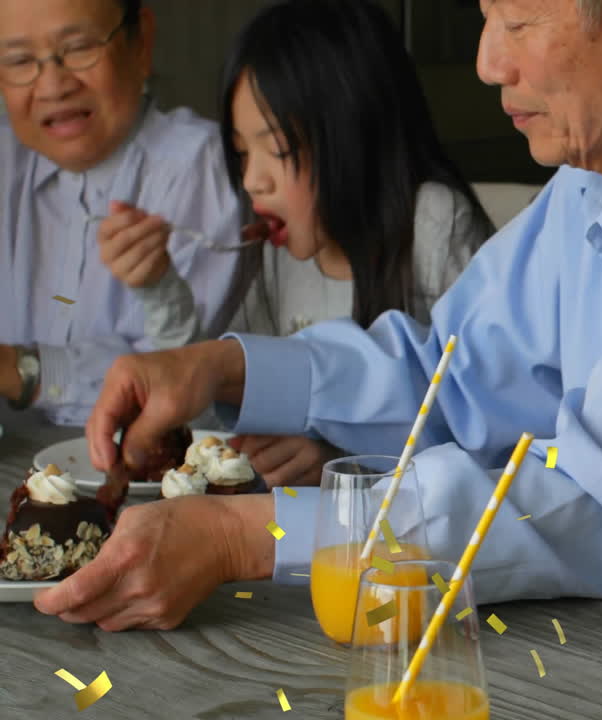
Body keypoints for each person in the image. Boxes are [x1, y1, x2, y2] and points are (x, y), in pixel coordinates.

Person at [40, 0, 602, 632]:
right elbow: (446, 376)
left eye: (516, 22)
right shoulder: (598, 172)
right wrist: (225, 369)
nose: (489, 61)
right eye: (485, 20)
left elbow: (592, 505)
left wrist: (244, 536)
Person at [136, 0, 494, 486]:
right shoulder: (282, 254)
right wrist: (161, 289)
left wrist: (347, 456)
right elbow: (224, 409)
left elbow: (486, 424)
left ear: (355, 132)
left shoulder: (433, 224)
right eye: (242, 153)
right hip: (290, 531)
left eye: (278, 150)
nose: (253, 181)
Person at [0, 0, 246, 426]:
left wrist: (21, 370)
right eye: (19, 60)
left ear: (141, 43)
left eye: (78, 48)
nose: (53, 86)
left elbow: (184, 377)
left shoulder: (205, 169)